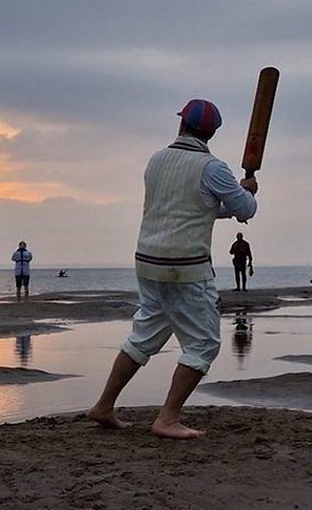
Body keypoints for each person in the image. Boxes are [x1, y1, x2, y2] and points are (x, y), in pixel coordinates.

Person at [87, 98, 257, 439]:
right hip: (186, 268)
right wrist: (246, 192)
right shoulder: (212, 168)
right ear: (212, 133)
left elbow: (196, 207)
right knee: (203, 345)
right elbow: (247, 209)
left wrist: (233, 198)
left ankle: (104, 406)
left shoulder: (157, 160)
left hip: (148, 261)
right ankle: (167, 419)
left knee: (144, 335)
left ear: (182, 124)